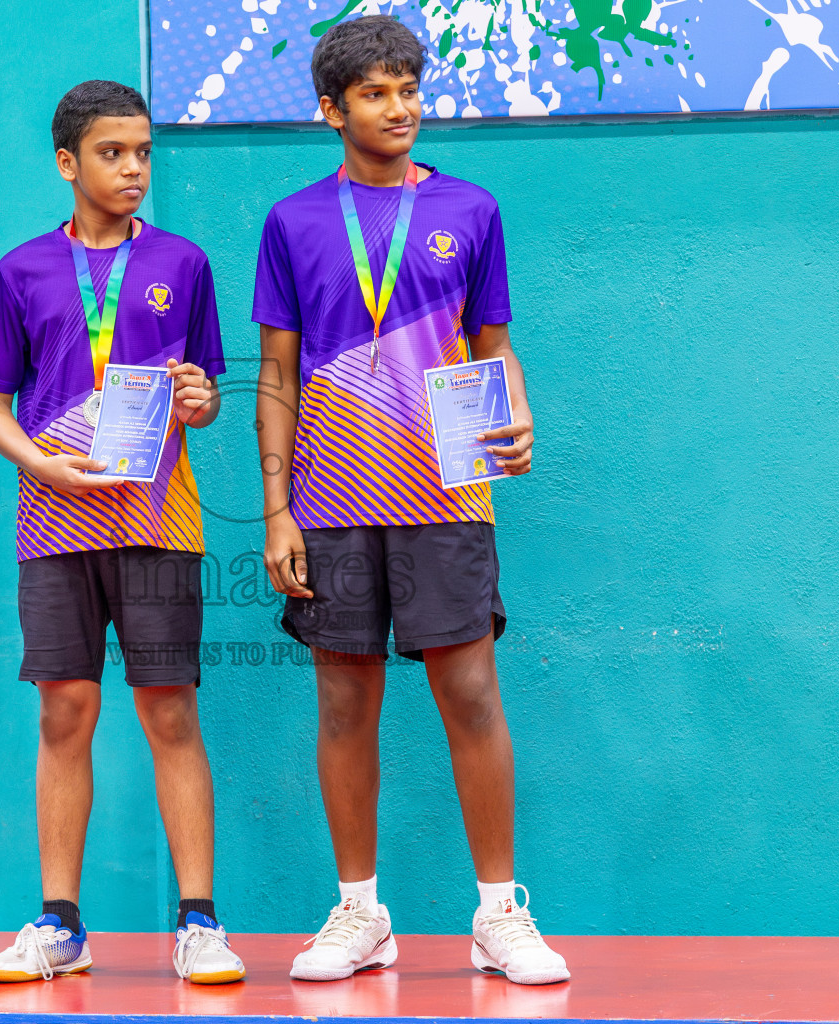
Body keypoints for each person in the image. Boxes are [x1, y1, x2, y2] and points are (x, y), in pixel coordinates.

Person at [251, 17, 569, 986]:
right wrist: (275, 509)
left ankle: (498, 914)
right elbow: (275, 373)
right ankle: (359, 911)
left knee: (470, 694)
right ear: (332, 109)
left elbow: (493, 345)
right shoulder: (294, 221)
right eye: (379, 93)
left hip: (446, 492)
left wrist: (516, 411)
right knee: (345, 704)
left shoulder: (470, 209)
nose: (401, 109)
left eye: (409, 90)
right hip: (333, 496)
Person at [0, 79, 243, 986]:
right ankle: (60, 923)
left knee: (169, 710)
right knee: (65, 711)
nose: (133, 170)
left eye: (143, 154)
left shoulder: (184, 262)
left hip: (159, 522)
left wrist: (202, 400)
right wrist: (37, 465)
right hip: (53, 523)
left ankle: (199, 922)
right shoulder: (20, 272)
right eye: (112, 154)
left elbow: (199, 393)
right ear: (67, 163)